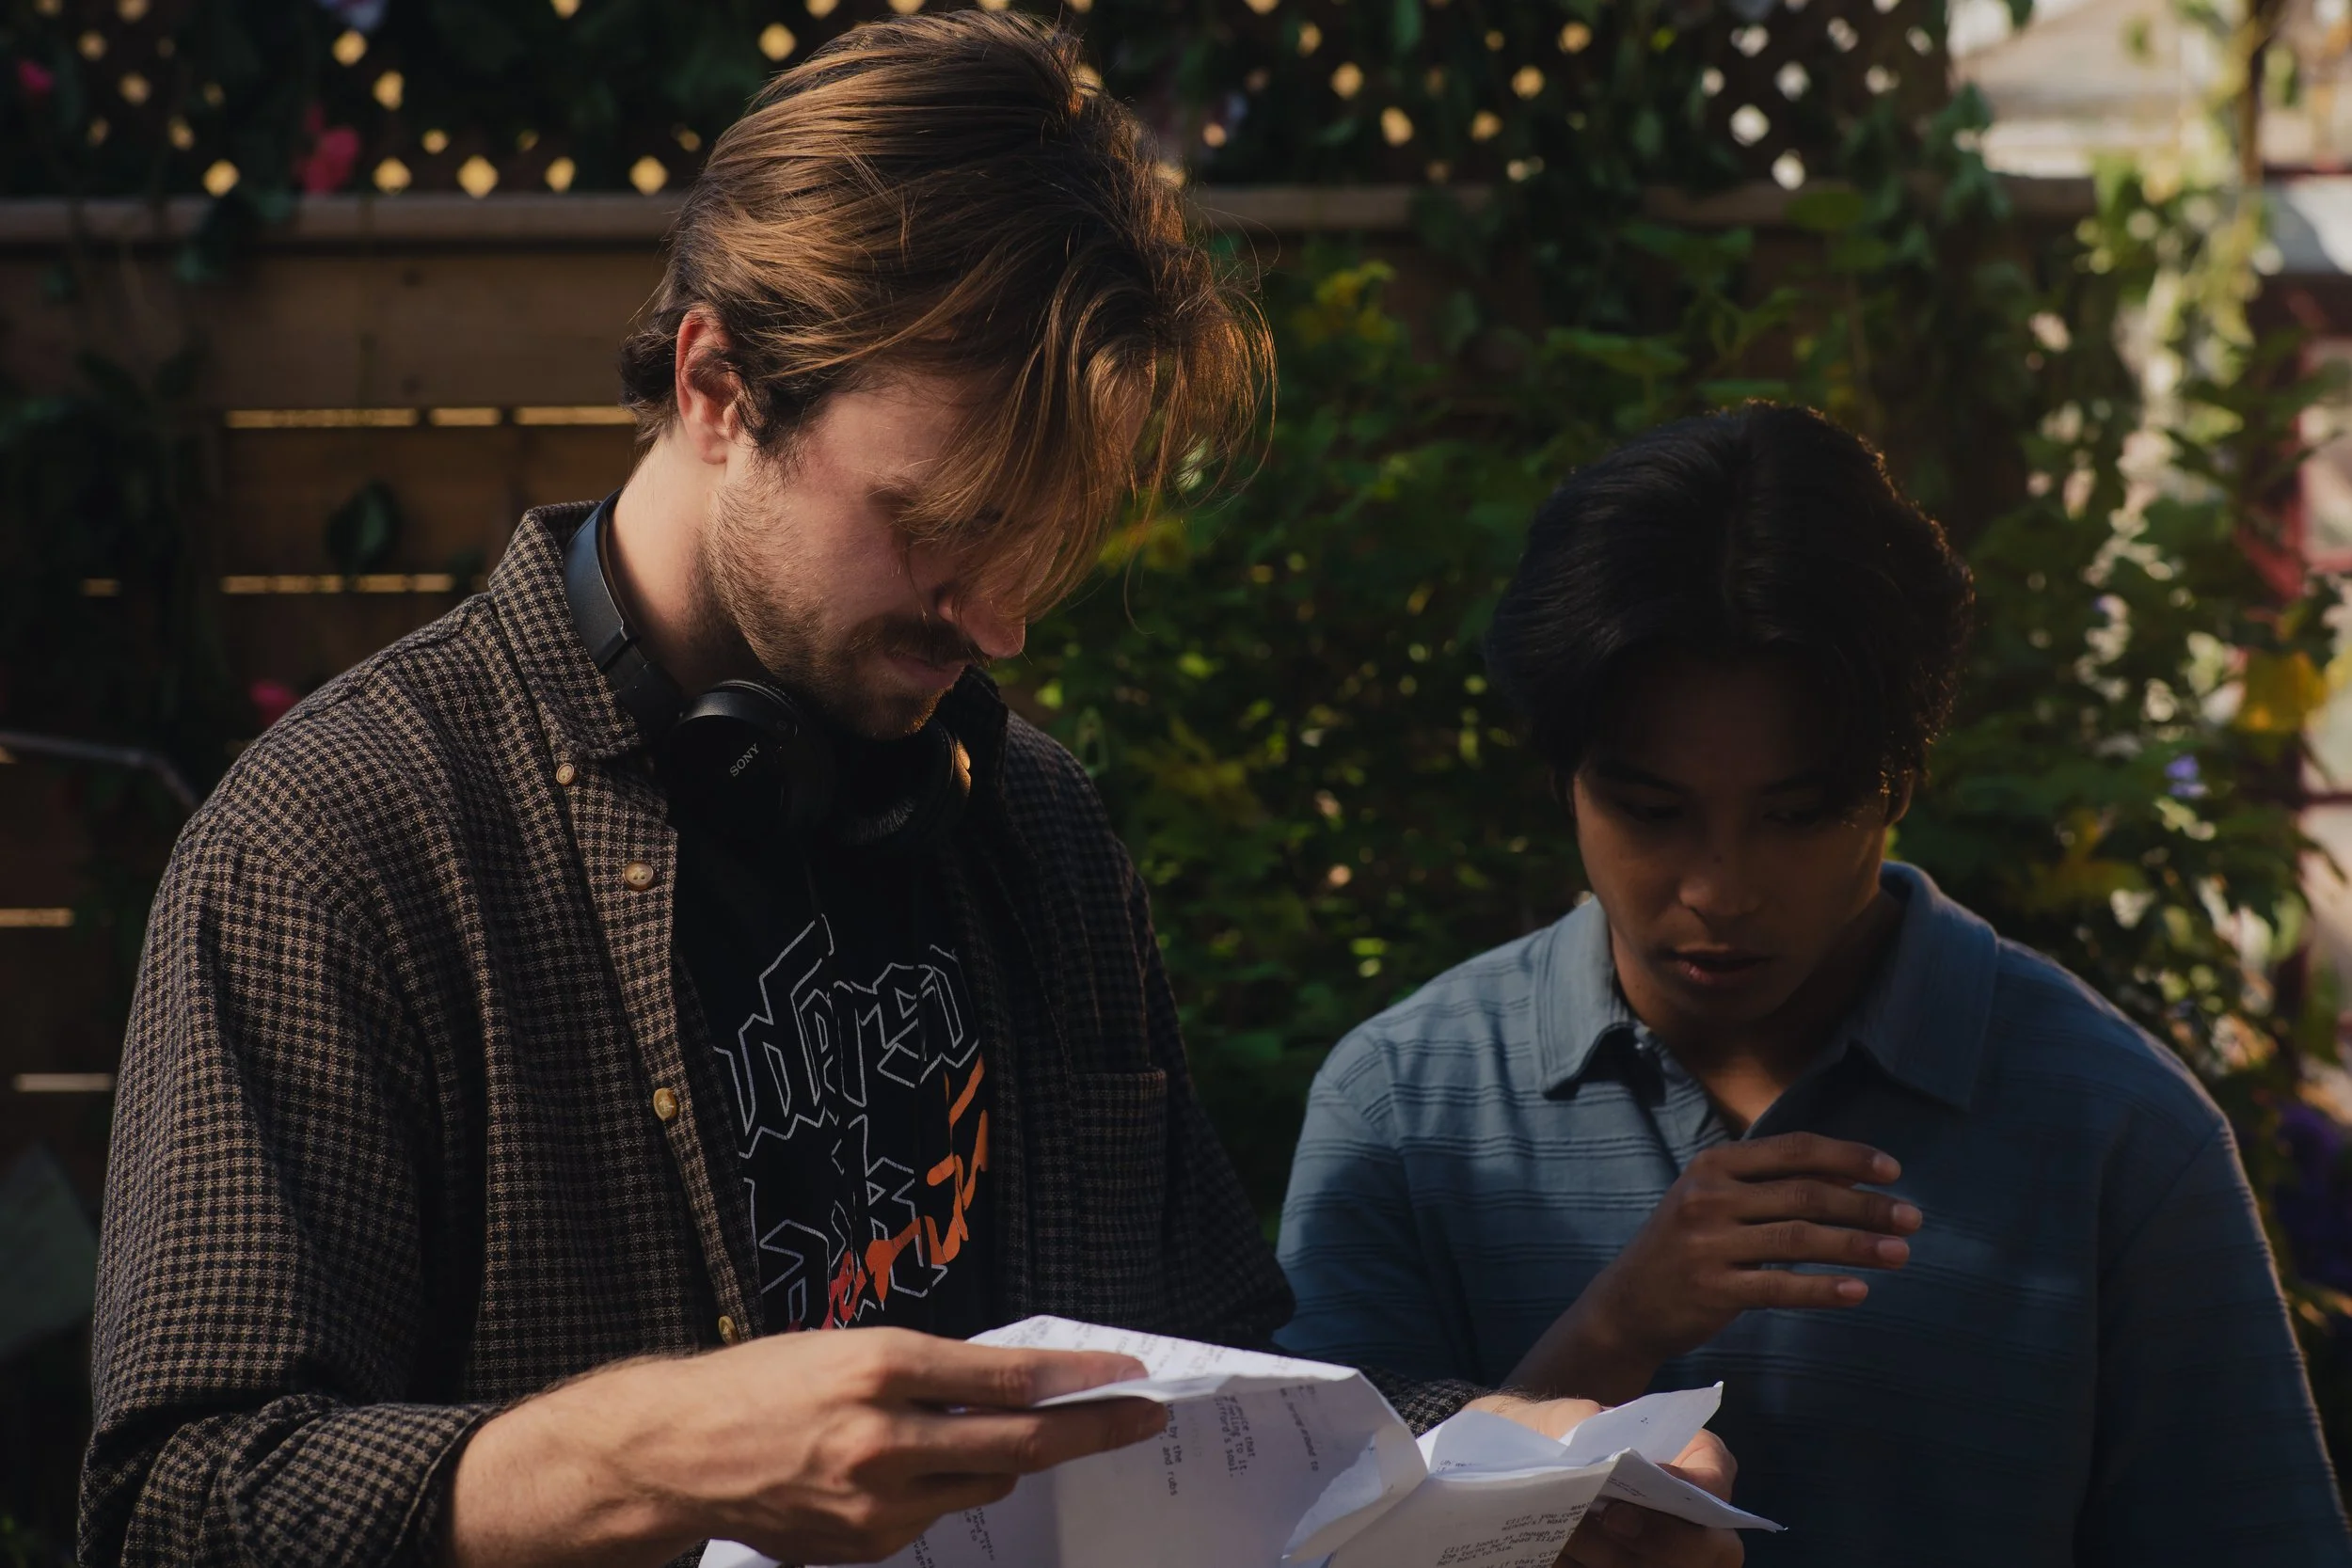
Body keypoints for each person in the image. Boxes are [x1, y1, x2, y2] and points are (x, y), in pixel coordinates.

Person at [81, 16, 1738, 1568]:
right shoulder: (341, 845)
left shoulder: (1033, 822)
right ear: (719, 387)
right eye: (941, 526)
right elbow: (179, 1499)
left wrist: (1498, 1463)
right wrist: (645, 1456)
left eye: (1048, 546)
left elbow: (1207, 1391)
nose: (1001, 622)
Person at [1274, 404, 2352, 1566]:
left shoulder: (2117, 1132)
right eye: (1651, 810)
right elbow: (1309, 1539)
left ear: (1901, 781)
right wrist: (1612, 1329)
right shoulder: (1403, 1105)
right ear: (1563, 777)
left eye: (1794, 815)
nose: (1719, 889)